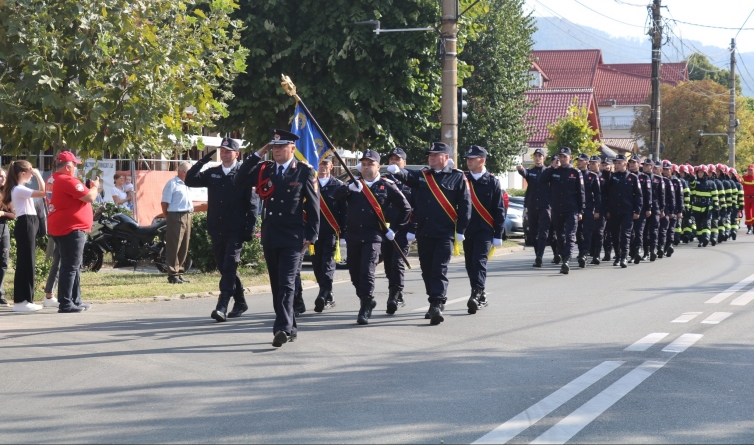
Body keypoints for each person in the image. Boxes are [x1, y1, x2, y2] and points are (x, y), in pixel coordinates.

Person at [234, 129, 319, 348]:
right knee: (276, 283)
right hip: (271, 235)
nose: (277, 151)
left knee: (287, 283)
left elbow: (313, 204)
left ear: (292, 148)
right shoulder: (265, 169)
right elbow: (240, 179)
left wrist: (312, 234)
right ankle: (290, 327)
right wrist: (256, 155)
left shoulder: (303, 171)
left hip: (293, 236)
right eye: (274, 147)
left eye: (281, 147)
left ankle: (281, 327)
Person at [387, 142, 470, 325]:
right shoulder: (423, 176)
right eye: (429, 155)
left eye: (435, 155)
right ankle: (434, 300)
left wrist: (461, 230)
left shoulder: (457, 178)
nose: (431, 158)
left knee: (439, 269)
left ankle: (436, 303)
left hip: (444, 232)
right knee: (426, 270)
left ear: (446, 157)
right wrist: (397, 171)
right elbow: (408, 176)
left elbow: (465, 205)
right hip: (424, 232)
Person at [185, 138, 257, 322]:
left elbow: (252, 203)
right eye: (222, 151)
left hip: (236, 229)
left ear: (236, 154)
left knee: (230, 265)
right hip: (217, 228)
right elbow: (190, 180)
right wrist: (201, 162)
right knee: (225, 268)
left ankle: (222, 305)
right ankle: (240, 302)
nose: (224, 154)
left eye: (228, 151)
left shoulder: (244, 173)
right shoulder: (213, 172)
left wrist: (250, 228)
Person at [334, 150, 410, 325]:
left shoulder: (386, 185)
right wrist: (348, 188)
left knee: (367, 270)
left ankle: (365, 305)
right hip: (353, 235)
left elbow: (405, 208)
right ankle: (366, 298)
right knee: (354, 273)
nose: (367, 167)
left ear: (378, 166)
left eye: (371, 164)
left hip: (373, 235)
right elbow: (335, 196)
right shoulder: (354, 184)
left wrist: (396, 229)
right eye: (365, 164)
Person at [47, 151, 99, 313]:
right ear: (68, 166)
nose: (76, 168)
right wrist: (95, 187)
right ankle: (65, 303)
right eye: (75, 165)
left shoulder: (53, 178)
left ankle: (75, 300)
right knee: (70, 266)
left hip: (62, 226)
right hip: (71, 228)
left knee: (74, 265)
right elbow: (89, 197)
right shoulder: (66, 180)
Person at [462, 145, 505, 312]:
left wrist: (498, 234)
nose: (469, 161)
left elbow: (499, 209)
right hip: (467, 231)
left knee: (479, 262)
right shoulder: (463, 180)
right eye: (468, 158)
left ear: (482, 160)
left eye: (472, 158)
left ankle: (476, 293)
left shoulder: (493, 182)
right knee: (469, 264)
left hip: (485, 230)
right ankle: (480, 293)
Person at [1, 160, 46, 312]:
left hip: (28, 222)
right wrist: (39, 175)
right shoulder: (19, 189)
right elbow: (44, 192)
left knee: (27, 261)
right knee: (26, 262)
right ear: (22, 173)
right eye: (30, 173)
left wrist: (35, 173)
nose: (32, 175)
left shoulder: (19, 188)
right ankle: (23, 300)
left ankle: (25, 300)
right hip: (26, 222)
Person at [539, 147, 585, 275]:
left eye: (565, 156)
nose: (562, 159)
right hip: (557, 209)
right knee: (559, 236)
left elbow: (581, 193)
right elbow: (541, 180)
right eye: (561, 156)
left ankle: (567, 260)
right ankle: (563, 254)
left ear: (570, 158)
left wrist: (581, 211)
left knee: (570, 235)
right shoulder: (554, 171)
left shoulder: (575, 172)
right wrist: (551, 167)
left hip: (571, 209)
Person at [381, 147, 414, 314]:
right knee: (388, 264)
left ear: (404, 163)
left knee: (397, 262)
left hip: (403, 229)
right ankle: (395, 289)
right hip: (386, 228)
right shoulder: (383, 180)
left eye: (397, 159)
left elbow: (416, 208)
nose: (393, 162)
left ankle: (395, 294)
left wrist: (412, 230)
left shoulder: (410, 181)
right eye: (391, 159)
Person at [312, 157, 346, 313]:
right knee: (317, 265)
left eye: (325, 164)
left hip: (331, 232)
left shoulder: (338, 186)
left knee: (327, 264)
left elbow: (344, 212)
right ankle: (328, 295)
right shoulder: (311, 184)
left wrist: (344, 233)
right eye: (319, 164)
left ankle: (323, 293)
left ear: (331, 166)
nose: (322, 167)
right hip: (313, 232)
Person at [604, 155, 641, 268]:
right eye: (616, 163)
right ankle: (618, 255)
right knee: (615, 235)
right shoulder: (612, 177)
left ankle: (624, 256)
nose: (617, 165)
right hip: (614, 211)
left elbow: (639, 196)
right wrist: (607, 173)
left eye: (619, 163)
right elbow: (605, 191)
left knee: (625, 234)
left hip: (627, 211)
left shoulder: (633, 178)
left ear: (625, 164)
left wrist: (637, 210)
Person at [516, 148, 551, 267]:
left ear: (544, 158)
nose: (537, 158)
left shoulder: (547, 172)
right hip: (532, 206)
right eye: (536, 156)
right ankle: (538, 256)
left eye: (540, 156)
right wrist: (520, 169)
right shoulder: (531, 172)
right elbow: (524, 173)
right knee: (533, 233)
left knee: (543, 232)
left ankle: (539, 256)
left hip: (545, 207)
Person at [161, 161, 194, 284]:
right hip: (175, 215)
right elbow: (164, 203)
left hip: (187, 215)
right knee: (174, 245)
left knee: (184, 246)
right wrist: (168, 216)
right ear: (184, 172)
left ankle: (179, 272)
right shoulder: (172, 184)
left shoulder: (187, 184)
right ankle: (172, 274)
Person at [574, 153, 600, 268]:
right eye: (577, 160)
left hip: (589, 208)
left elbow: (598, 195)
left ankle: (584, 253)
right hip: (576, 208)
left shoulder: (592, 176)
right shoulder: (574, 174)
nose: (578, 162)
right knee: (578, 233)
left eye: (581, 161)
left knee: (587, 232)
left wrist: (597, 210)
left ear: (586, 162)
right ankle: (581, 251)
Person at [627, 156, 651, 264]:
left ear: (638, 164)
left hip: (641, 209)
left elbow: (648, 195)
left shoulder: (644, 177)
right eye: (630, 162)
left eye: (634, 162)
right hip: (628, 208)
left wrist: (648, 208)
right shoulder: (627, 176)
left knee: (638, 232)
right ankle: (632, 253)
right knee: (629, 233)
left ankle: (638, 252)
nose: (631, 164)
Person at [641, 158, 663, 261]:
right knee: (644, 231)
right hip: (643, 207)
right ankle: (645, 252)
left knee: (653, 230)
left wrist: (662, 209)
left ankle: (653, 250)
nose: (644, 167)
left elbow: (661, 196)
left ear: (652, 167)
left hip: (655, 208)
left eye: (647, 165)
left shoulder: (658, 179)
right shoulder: (640, 178)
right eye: (644, 165)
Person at [690, 165, 716, 247]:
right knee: (698, 225)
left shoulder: (711, 183)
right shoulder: (695, 183)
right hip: (697, 207)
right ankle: (701, 240)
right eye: (698, 172)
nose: (700, 174)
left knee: (706, 223)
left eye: (701, 172)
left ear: (705, 173)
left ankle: (706, 238)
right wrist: (691, 180)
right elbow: (692, 188)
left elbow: (715, 196)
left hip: (707, 207)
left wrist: (716, 206)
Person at [662, 160, 683, 257]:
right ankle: (662, 246)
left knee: (671, 229)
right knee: (663, 228)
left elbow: (680, 197)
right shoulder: (661, 180)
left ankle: (669, 245)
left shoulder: (676, 181)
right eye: (664, 169)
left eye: (667, 169)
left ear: (671, 170)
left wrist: (680, 211)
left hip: (674, 209)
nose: (665, 171)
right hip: (664, 208)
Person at [0, 168, 14, 307]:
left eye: (3, 176)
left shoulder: (7, 194)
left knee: (3, 262)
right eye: (0, 176)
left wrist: (3, 214)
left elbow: (13, 214)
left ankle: (0, 294)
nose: (2, 178)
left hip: (3, 229)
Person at [742, 165, 754, 234]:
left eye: (751, 170)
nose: (750, 171)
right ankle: (749, 228)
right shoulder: (744, 178)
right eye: (749, 170)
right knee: (748, 214)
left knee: (753, 213)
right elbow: (739, 181)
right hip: (746, 198)